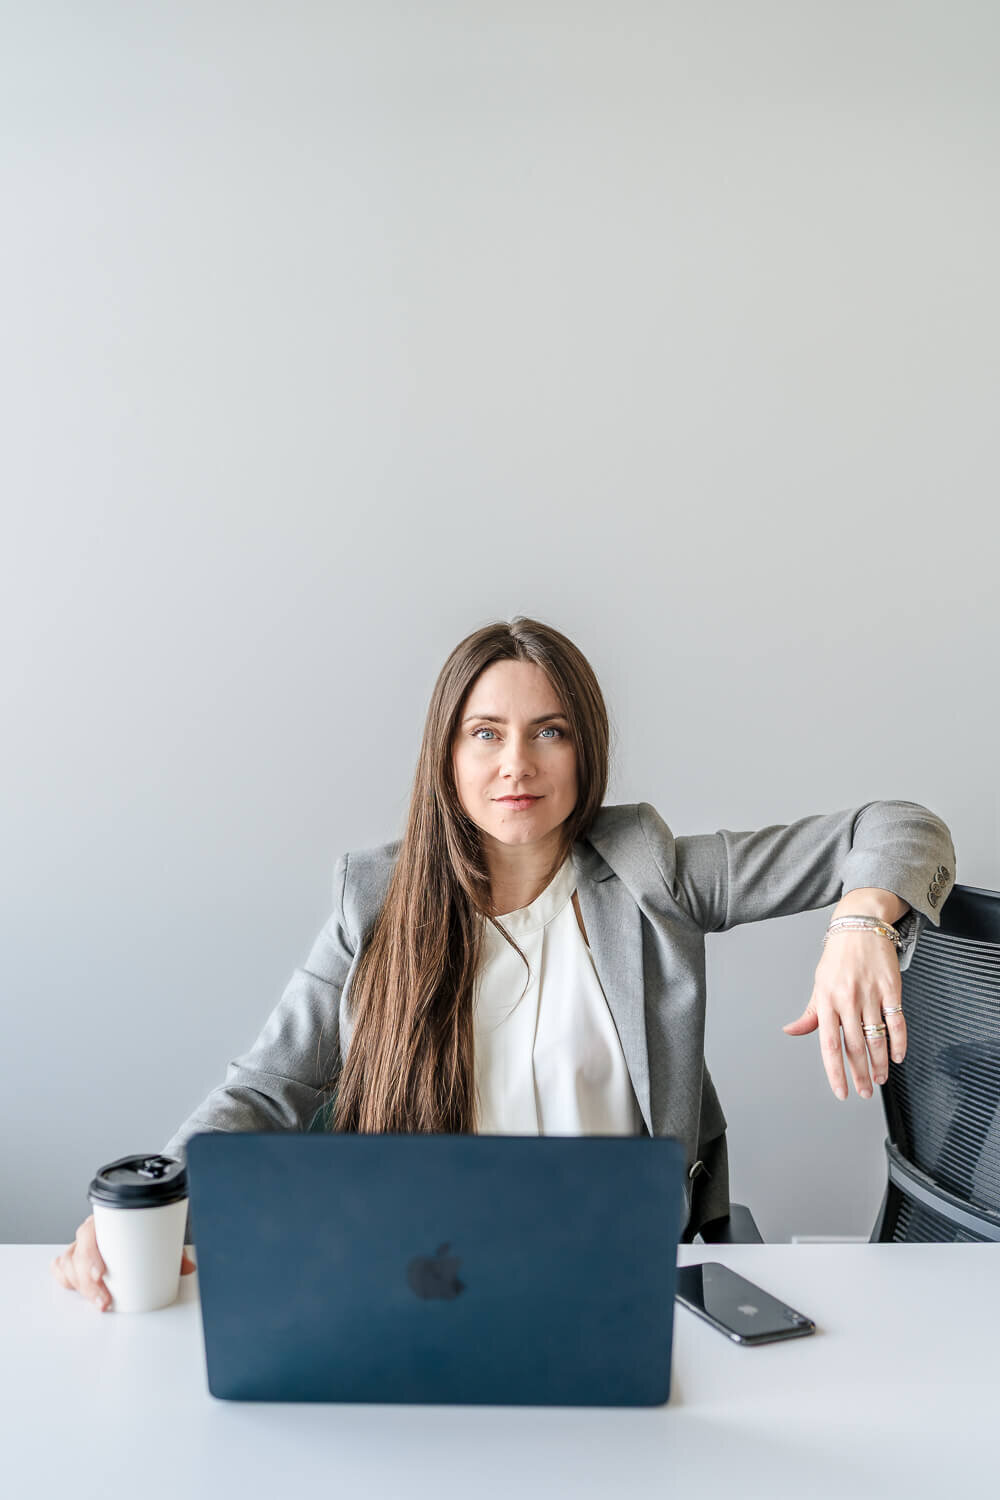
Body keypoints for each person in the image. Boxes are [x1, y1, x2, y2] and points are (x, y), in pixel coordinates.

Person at [52, 615, 957, 1311]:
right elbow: (264, 1089)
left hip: (624, 1279)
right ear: (446, 754)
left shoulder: (650, 873)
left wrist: (861, 929)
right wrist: (148, 1201)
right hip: (427, 1283)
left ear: (585, 746)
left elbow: (901, 826)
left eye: (549, 731)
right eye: (485, 733)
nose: (515, 764)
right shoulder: (377, 900)